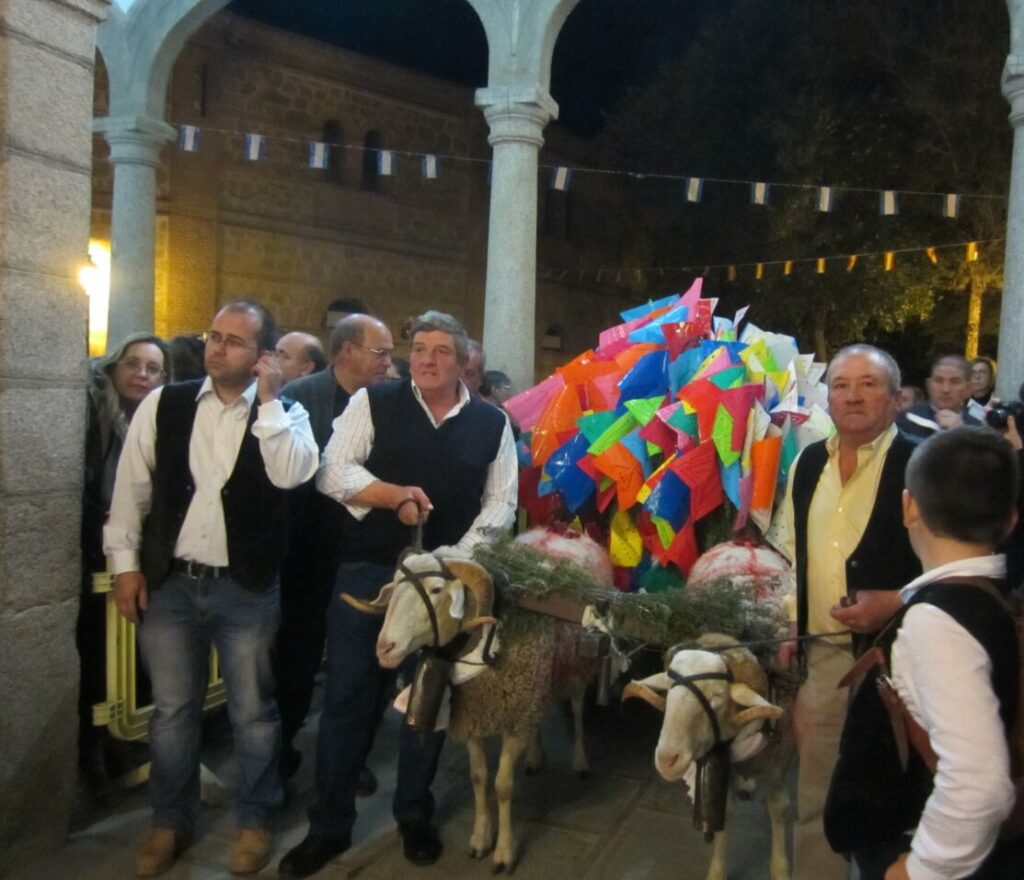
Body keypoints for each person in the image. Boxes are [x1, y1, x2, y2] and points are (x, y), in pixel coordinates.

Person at [278, 310, 518, 877]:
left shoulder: (491, 423)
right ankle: (329, 826)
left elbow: (501, 502)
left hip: (444, 582)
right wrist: (391, 495)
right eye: (421, 349)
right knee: (347, 699)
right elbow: (333, 471)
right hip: (369, 572)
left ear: (463, 363)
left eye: (441, 351)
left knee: (428, 700)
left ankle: (413, 812)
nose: (427, 359)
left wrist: (453, 559)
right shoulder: (375, 402)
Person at [103, 300, 318, 877]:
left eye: (234, 341)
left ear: (263, 357)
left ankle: (255, 819)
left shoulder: (289, 414)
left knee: (253, 713)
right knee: (172, 713)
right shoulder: (165, 404)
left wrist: (270, 400)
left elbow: (294, 474)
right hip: (173, 583)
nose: (216, 348)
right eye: (213, 336)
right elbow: (132, 489)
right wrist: (125, 565)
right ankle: (168, 822)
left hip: (245, 586)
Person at [825, 427, 1023, 880]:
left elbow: (979, 783)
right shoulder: (995, 596)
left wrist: (921, 868)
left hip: (917, 842)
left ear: (908, 507)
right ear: (1009, 521)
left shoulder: (936, 622)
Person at [778, 343, 922, 880]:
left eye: (868, 383)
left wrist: (897, 598)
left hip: (900, 666)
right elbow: (799, 551)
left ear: (895, 397)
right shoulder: (808, 461)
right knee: (815, 793)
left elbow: (965, 565)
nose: (853, 396)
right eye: (841, 385)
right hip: (824, 661)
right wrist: (796, 619)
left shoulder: (920, 462)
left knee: (892, 796)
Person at [275, 314, 395, 785]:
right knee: (296, 665)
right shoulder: (300, 399)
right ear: (347, 352)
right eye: (380, 351)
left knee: (360, 671)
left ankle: (350, 760)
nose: (389, 362)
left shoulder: (387, 403)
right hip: (307, 557)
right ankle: (279, 761)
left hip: (362, 555)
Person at [79, 333, 169, 797]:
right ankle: (92, 753)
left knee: (131, 660)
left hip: (138, 559)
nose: (143, 374)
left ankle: (124, 743)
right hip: (94, 558)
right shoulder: (92, 416)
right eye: (133, 364)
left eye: (154, 369)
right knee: (95, 657)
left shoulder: (158, 419)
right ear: (113, 367)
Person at [897, 355, 982, 441]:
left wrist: (962, 435)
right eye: (939, 381)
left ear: (968, 389)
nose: (946, 389)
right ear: (929, 386)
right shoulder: (904, 421)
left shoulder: (978, 430)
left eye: (955, 382)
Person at [969, 356, 999, 421]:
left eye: (982, 372)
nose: (977, 376)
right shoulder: (962, 403)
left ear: (991, 376)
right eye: (973, 372)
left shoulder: (998, 399)